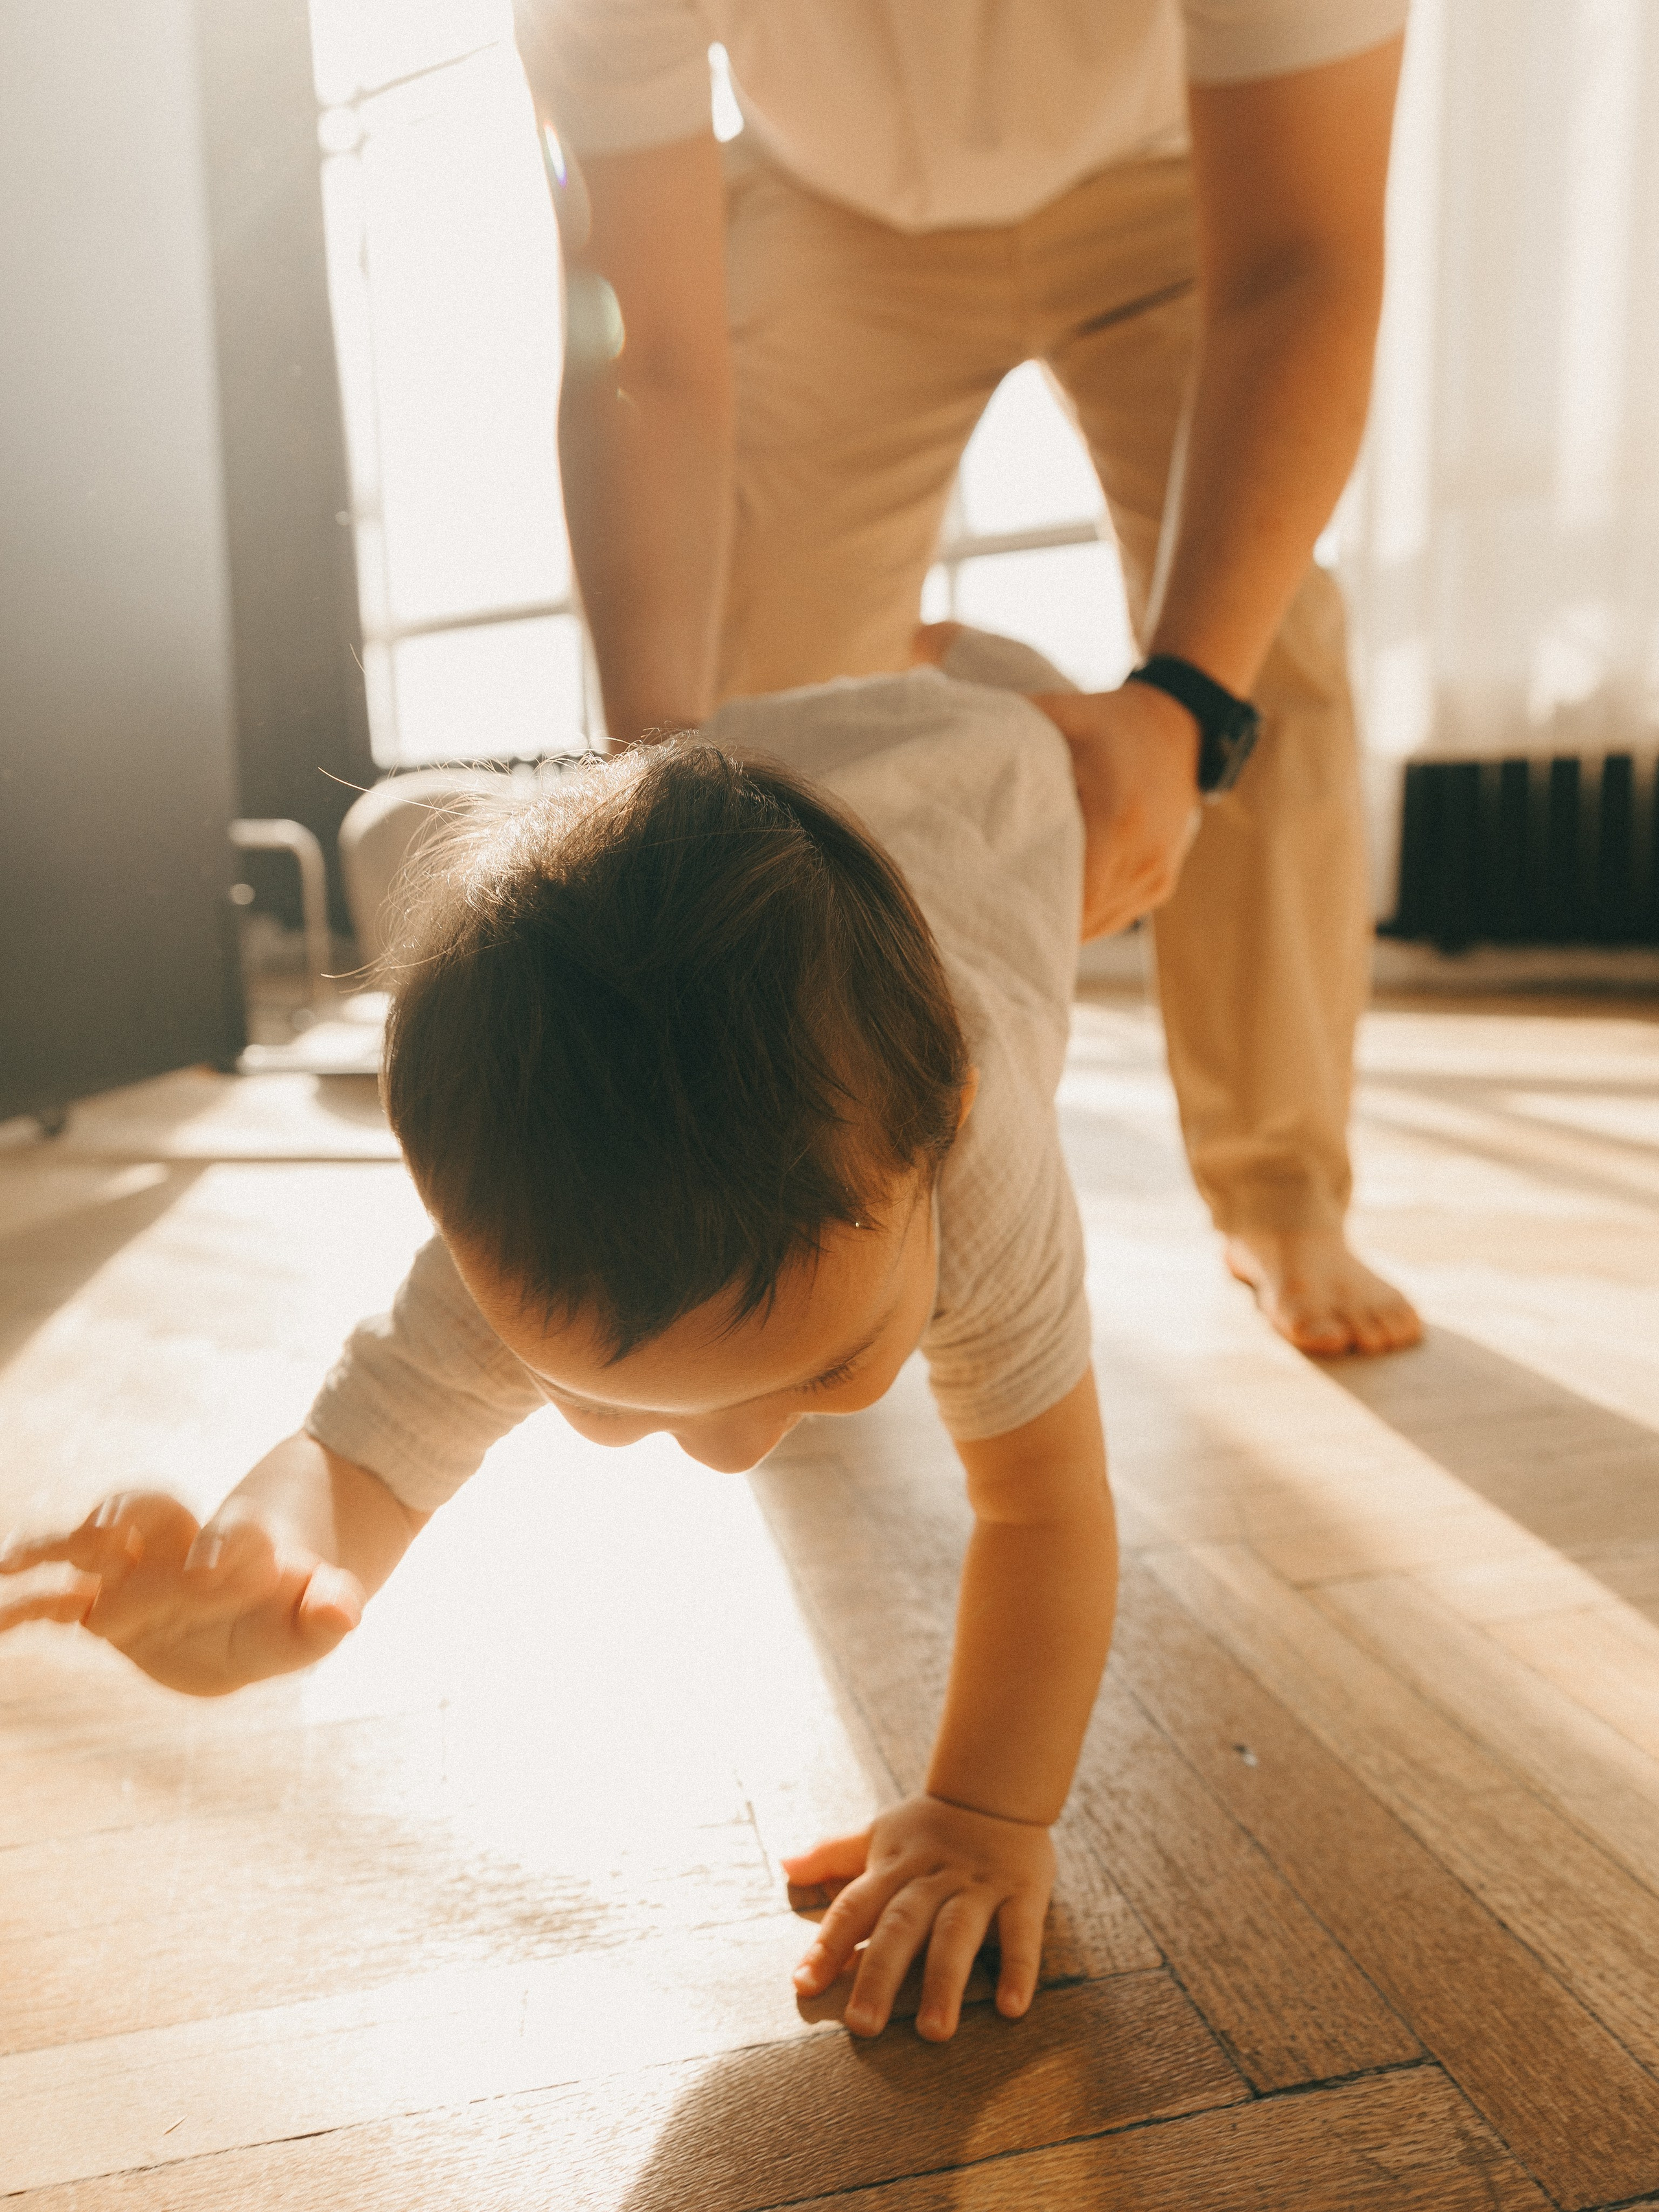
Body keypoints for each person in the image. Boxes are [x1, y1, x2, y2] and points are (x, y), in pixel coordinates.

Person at [5, 653, 1150, 2044]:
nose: (735, 1451)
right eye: (614, 1408)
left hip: (1002, 778)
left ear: (944, 1127)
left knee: (1042, 723)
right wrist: (258, 1574)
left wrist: (982, 1813)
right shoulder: (524, 1248)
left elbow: (1044, 1509)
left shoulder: (983, 1177)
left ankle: (994, 670)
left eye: (827, 1367)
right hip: (769, 737)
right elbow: (352, 1464)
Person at [517, 0, 1424, 1358]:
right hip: (823, 204)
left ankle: (1280, 1191)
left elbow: (1298, 261)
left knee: (1266, 650)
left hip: (1171, 171)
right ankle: (789, 1182)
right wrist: (656, 767)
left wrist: (1185, 702)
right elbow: (645, 354)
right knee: (744, 713)